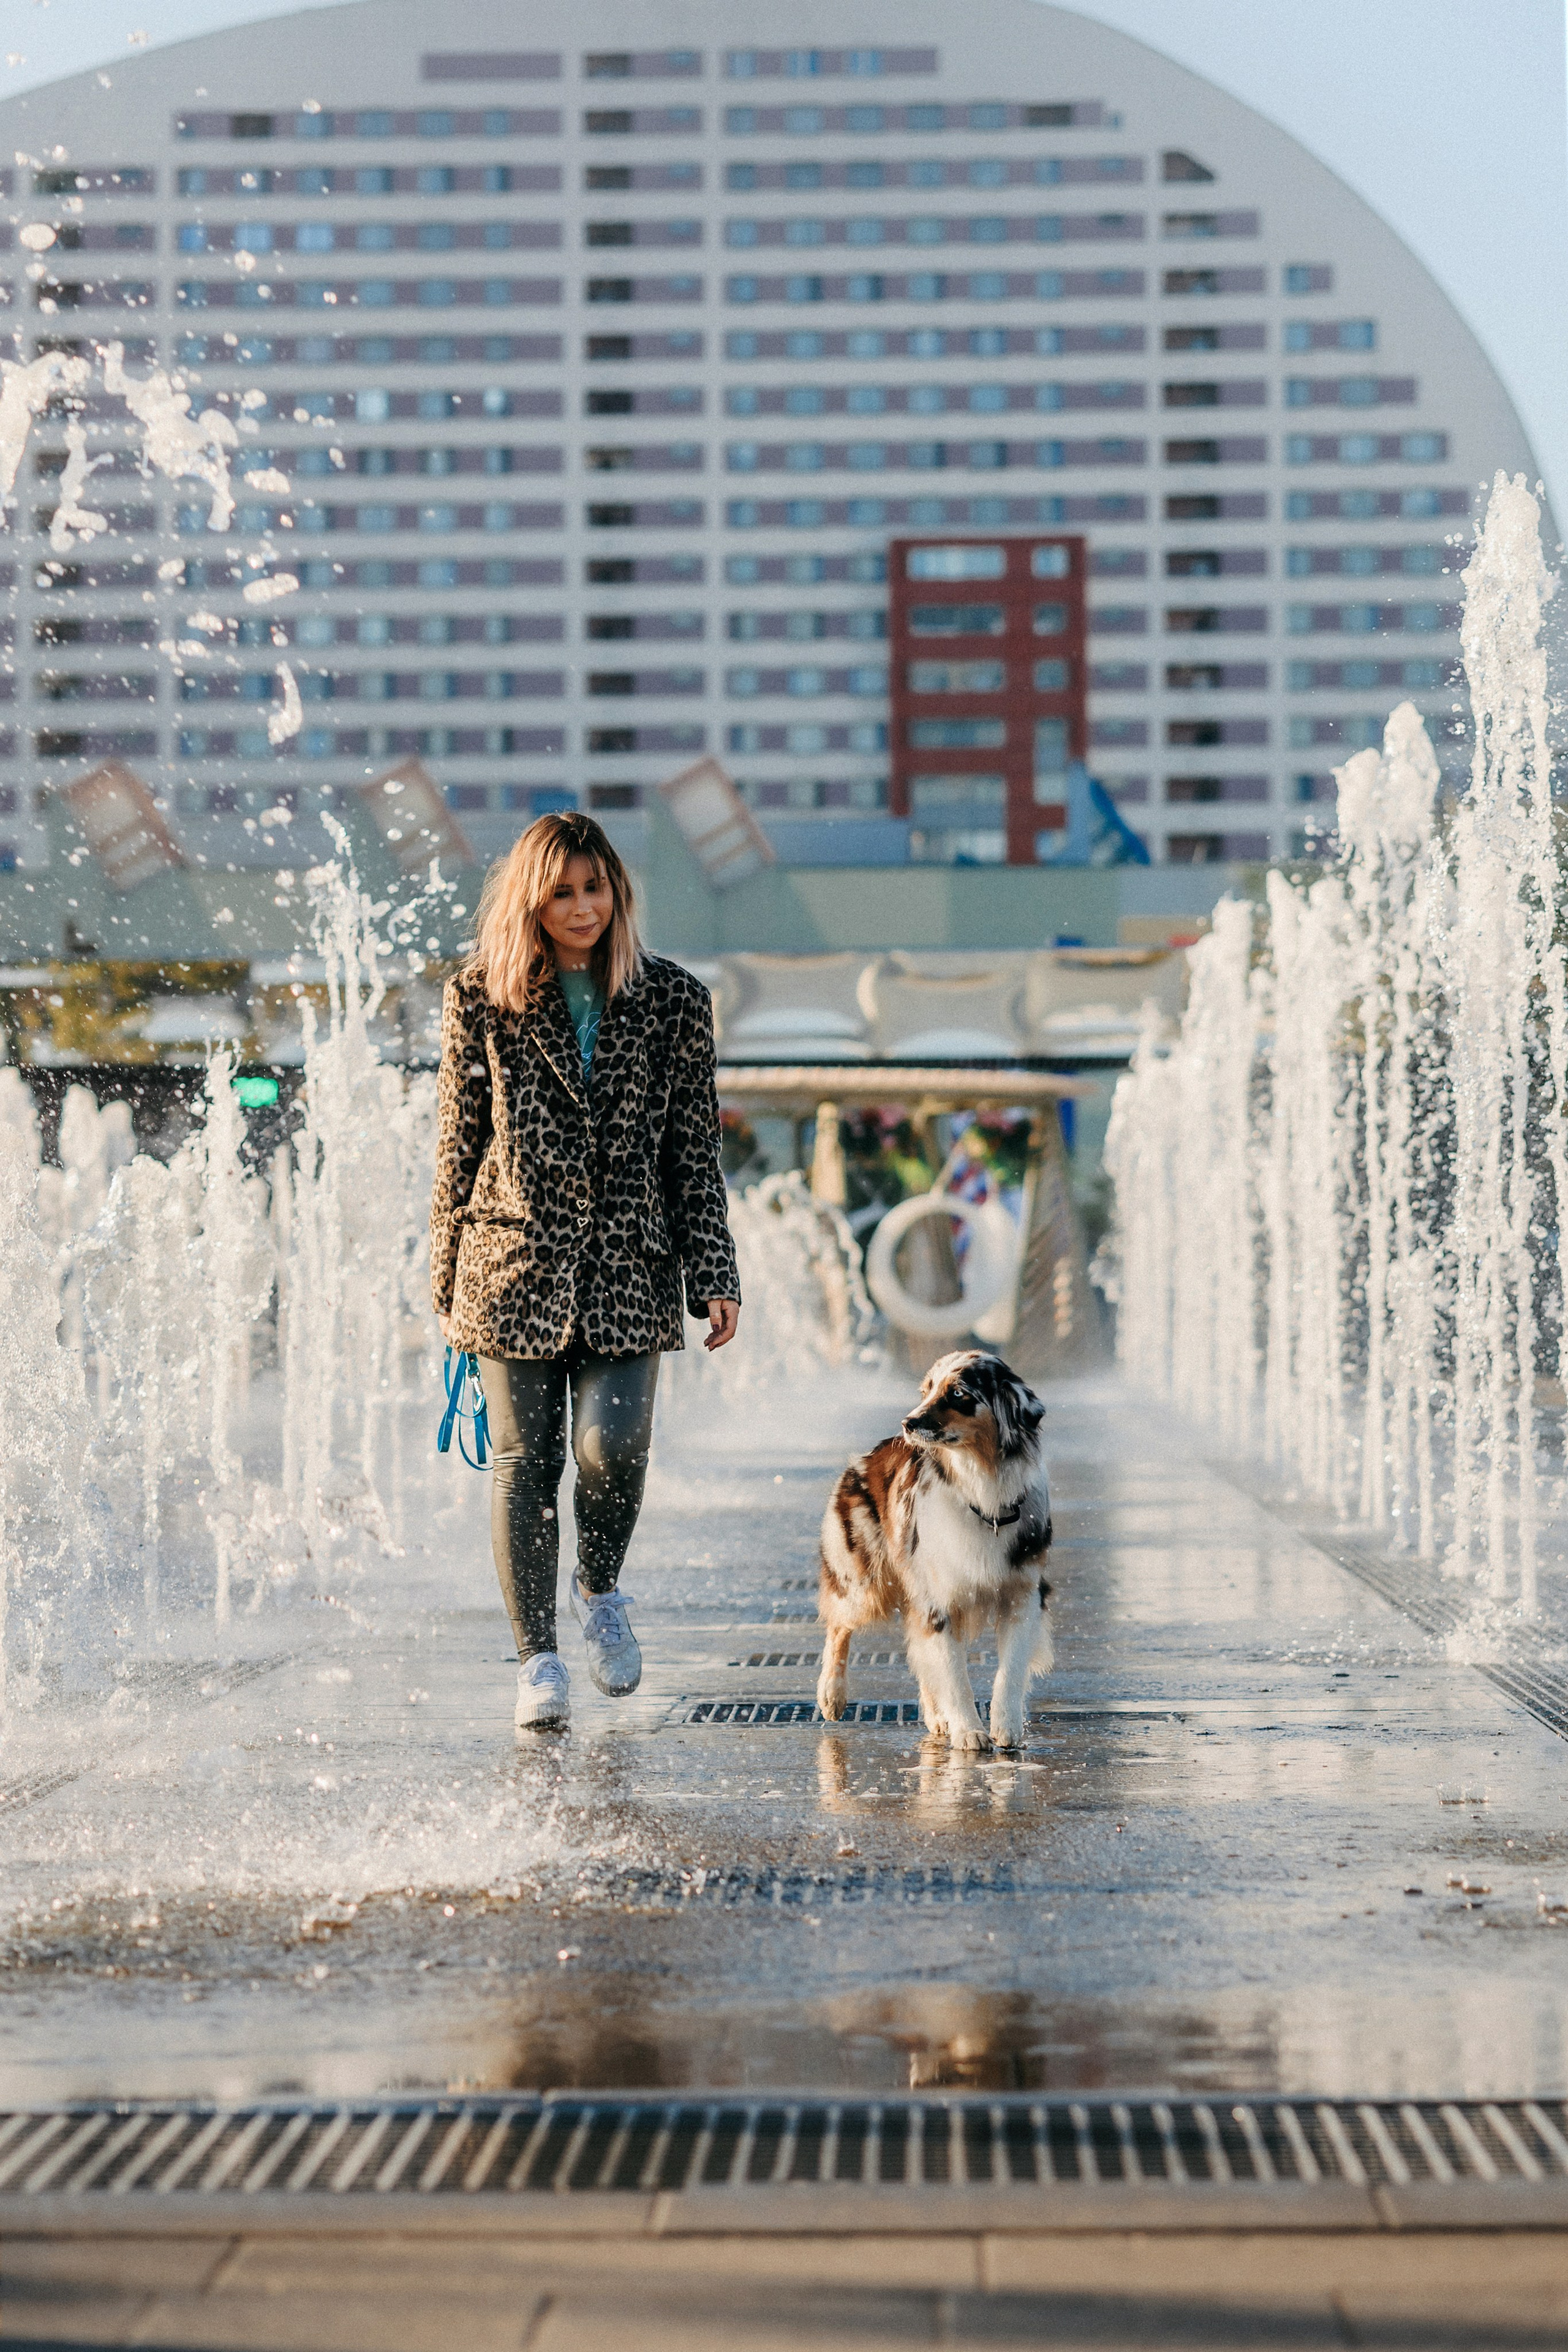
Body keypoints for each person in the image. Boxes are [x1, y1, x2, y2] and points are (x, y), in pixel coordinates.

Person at [430, 811, 741, 1730]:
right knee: (526, 1462)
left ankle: (599, 1589)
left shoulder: (674, 999)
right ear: (533, 896)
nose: (581, 908)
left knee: (614, 1449)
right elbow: (457, 1147)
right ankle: (537, 1662)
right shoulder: (480, 994)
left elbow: (694, 1150)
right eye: (562, 892)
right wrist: (444, 1285)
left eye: (595, 889)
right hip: (510, 1263)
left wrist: (713, 1272)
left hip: (628, 1266)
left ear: (618, 892)